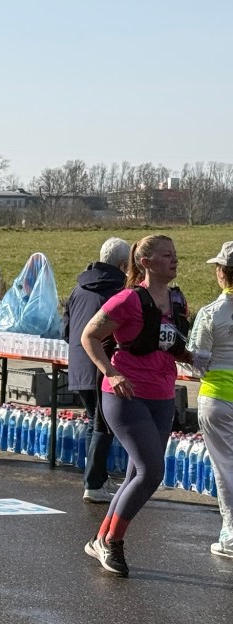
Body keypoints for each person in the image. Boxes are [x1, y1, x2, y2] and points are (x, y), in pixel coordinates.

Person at [80, 234, 195, 577]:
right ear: (146, 262)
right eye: (166, 255)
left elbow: (171, 344)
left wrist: (194, 357)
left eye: (175, 254)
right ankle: (113, 541)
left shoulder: (177, 301)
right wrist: (111, 372)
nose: (174, 260)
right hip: (125, 394)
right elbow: (89, 336)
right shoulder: (128, 299)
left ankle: (100, 537)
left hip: (162, 394)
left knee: (135, 474)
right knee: (151, 472)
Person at [63, 237, 129, 504]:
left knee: (94, 420)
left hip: (78, 363)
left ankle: (97, 477)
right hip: (103, 364)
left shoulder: (78, 289)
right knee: (102, 425)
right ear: (123, 265)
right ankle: (93, 483)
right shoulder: (117, 292)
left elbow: (66, 329)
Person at [187, 241, 233, 559]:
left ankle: (230, 535)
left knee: (226, 468)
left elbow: (197, 362)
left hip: (217, 398)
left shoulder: (210, 313)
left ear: (221, 273)